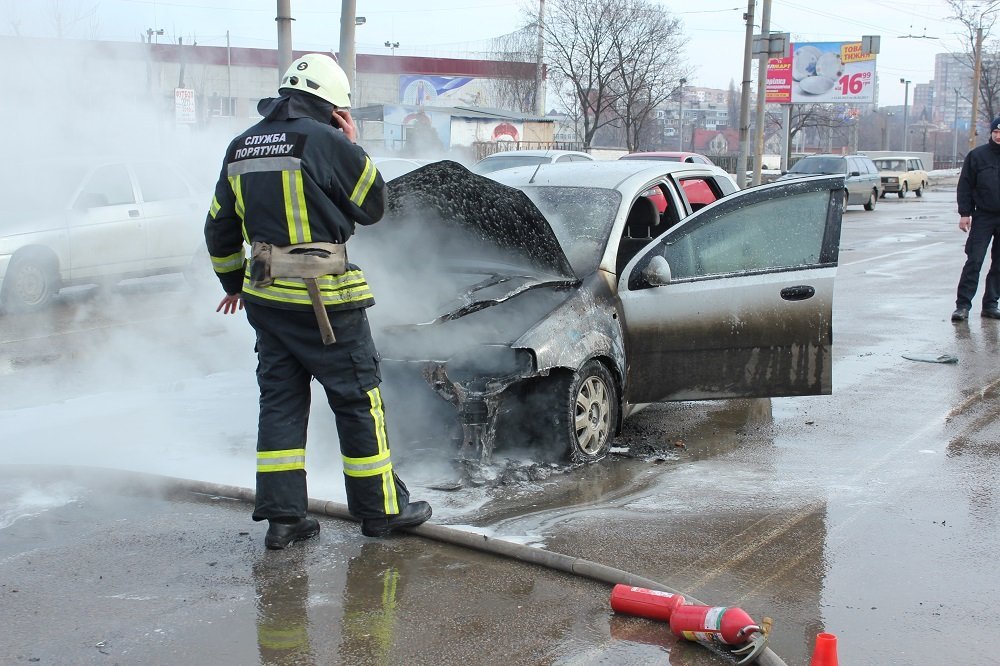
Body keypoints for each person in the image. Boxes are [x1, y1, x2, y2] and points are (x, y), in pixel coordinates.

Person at [204, 53, 431, 549]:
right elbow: (373, 206)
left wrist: (232, 284)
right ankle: (380, 511)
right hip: (327, 302)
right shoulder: (328, 141)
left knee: (281, 404)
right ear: (333, 107)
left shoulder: (241, 146)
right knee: (357, 400)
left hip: (267, 302)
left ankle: (283, 518)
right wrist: (354, 146)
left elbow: (219, 226)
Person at [954, 115, 1000, 322]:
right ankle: (963, 306)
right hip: (983, 216)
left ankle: (991, 304)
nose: (999, 136)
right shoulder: (977, 156)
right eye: (996, 132)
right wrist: (965, 213)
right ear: (991, 132)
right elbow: (965, 185)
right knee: (974, 260)